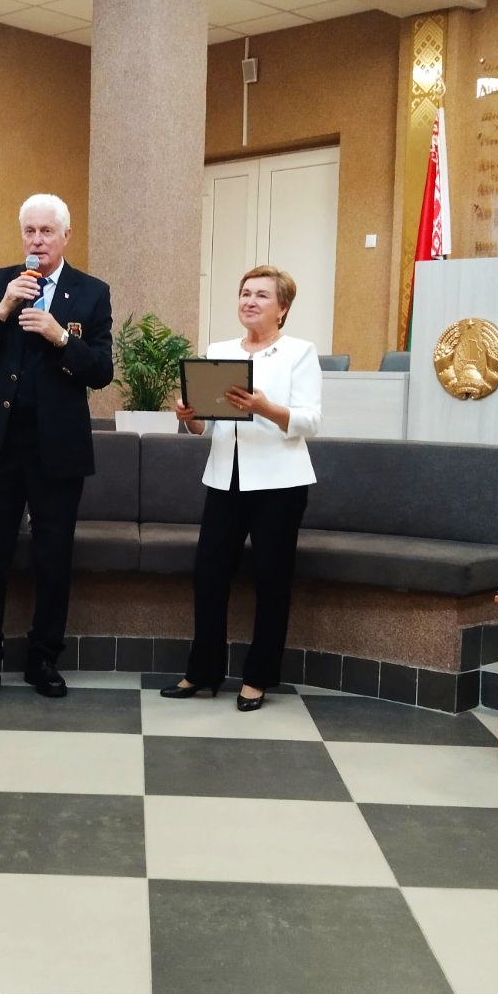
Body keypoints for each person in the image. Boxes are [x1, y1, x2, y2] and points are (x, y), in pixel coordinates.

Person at [0, 193, 113, 701]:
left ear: (66, 236)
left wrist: (60, 337)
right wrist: (3, 308)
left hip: (57, 446)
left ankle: (44, 658)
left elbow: (101, 371)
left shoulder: (92, 293)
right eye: (30, 231)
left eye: (47, 231)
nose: (38, 240)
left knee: (53, 556)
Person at [162, 266, 322, 711]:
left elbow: (311, 420)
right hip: (224, 479)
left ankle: (257, 678)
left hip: (280, 484)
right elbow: (207, 426)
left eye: (262, 295)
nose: (250, 301)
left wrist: (265, 408)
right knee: (208, 576)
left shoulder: (299, 353)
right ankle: (203, 671)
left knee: (271, 581)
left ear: (282, 308)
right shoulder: (220, 351)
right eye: (245, 293)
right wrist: (190, 417)